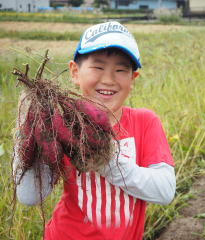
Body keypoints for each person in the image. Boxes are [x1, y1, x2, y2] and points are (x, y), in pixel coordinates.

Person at [13, 21, 176, 240]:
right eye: (98, 67)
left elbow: (164, 192)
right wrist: (27, 133)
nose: (108, 79)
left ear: (132, 79)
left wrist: (106, 160)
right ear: (74, 72)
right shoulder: (60, 125)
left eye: (120, 70)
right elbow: (30, 196)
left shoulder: (145, 122)